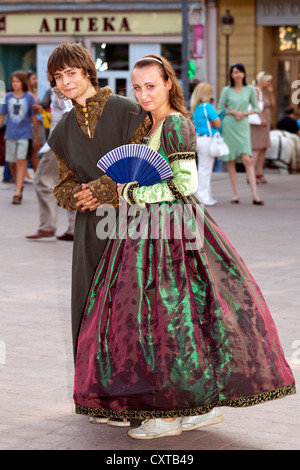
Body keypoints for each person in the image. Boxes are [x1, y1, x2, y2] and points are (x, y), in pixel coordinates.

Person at [73, 54, 295, 440]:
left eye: (151, 86)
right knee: (171, 321)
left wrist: (130, 192)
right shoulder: (150, 124)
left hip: (169, 235)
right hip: (148, 231)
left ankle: (170, 410)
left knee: (166, 320)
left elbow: (185, 184)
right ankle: (195, 408)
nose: (143, 94)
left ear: (169, 85)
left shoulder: (175, 123)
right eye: (137, 87)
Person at [46, 43, 150, 426]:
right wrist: (77, 195)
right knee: (91, 309)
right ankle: (102, 398)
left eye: (71, 73)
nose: (65, 82)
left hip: (132, 223)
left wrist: (105, 188)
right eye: (58, 77)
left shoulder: (128, 110)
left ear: (88, 72)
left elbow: (146, 162)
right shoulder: (61, 131)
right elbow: (62, 184)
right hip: (90, 229)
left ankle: (133, 397)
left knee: (129, 308)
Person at [26, 87, 76, 241]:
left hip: (57, 144)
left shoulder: (60, 88)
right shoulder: (66, 87)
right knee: (71, 183)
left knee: (41, 181)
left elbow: (69, 112)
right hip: (68, 144)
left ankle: (47, 226)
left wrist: (60, 140)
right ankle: (74, 229)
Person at [217, 63, 264, 205]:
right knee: (231, 160)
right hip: (230, 126)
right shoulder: (226, 90)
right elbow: (219, 110)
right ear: (231, 75)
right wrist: (233, 112)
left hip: (243, 126)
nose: (238, 75)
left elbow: (256, 108)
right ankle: (236, 194)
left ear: (244, 74)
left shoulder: (250, 89)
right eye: (235, 72)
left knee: (247, 159)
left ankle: (255, 195)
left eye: (240, 72)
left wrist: (244, 113)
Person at [0, 70, 40, 204]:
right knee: (11, 163)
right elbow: (2, 115)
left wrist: (37, 137)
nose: (15, 84)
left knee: (21, 160)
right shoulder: (7, 97)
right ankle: (19, 184)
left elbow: (33, 117)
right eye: (13, 81)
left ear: (22, 82)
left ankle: (17, 192)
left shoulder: (29, 97)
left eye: (17, 81)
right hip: (10, 134)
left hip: (25, 135)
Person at [190, 82, 221, 206]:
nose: (211, 95)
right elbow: (217, 123)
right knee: (205, 169)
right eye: (210, 93)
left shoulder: (196, 107)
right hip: (207, 139)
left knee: (202, 169)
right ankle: (203, 197)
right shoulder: (207, 106)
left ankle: (204, 195)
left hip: (198, 139)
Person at [250, 71, 275, 184]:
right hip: (259, 123)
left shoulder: (264, 92)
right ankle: (251, 174)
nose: (269, 83)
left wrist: (271, 93)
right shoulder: (256, 91)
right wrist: (262, 119)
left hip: (264, 124)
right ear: (262, 80)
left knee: (263, 148)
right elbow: (255, 107)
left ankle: (259, 173)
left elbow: (273, 105)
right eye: (267, 80)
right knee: (257, 148)